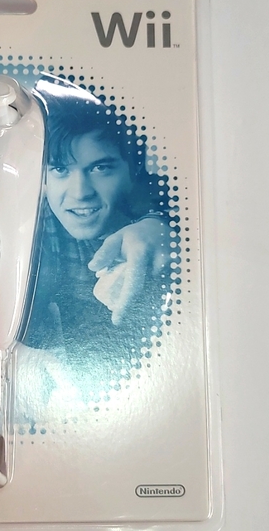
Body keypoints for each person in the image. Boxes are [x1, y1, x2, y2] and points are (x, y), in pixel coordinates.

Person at [24, 77, 169, 384]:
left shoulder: (168, 203)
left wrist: (163, 227)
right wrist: (15, 357)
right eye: (60, 169)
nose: (80, 193)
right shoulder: (31, 226)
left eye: (100, 168)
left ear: (133, 172)